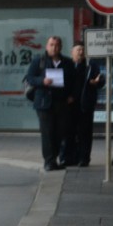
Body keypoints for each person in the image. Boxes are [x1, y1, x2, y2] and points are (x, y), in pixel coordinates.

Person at [24, 35, 75, 171]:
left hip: (62, 102)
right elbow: (29, 78)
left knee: (60, 132)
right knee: (47, 132)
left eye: (57, 45)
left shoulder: (68, 63)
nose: (54, 48)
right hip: (43, 102)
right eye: (51, 45)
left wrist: (72, 95)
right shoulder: (39, 61)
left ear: (61, 47)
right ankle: (49, 160)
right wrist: (42, 81)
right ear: (47, 46)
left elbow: (74, 82)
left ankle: (54, 156)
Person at [65, 42, 104, 167]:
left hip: (85, 105)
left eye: (82, 50)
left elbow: (100, 80)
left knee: (85, 134)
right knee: (69, 133)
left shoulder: (91, 65)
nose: (80, 52)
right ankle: (70, 158)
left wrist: (96, 83)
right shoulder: (68, 65)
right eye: (78, 50)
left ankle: (84, 158)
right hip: (69, 106)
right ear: (72, 52)